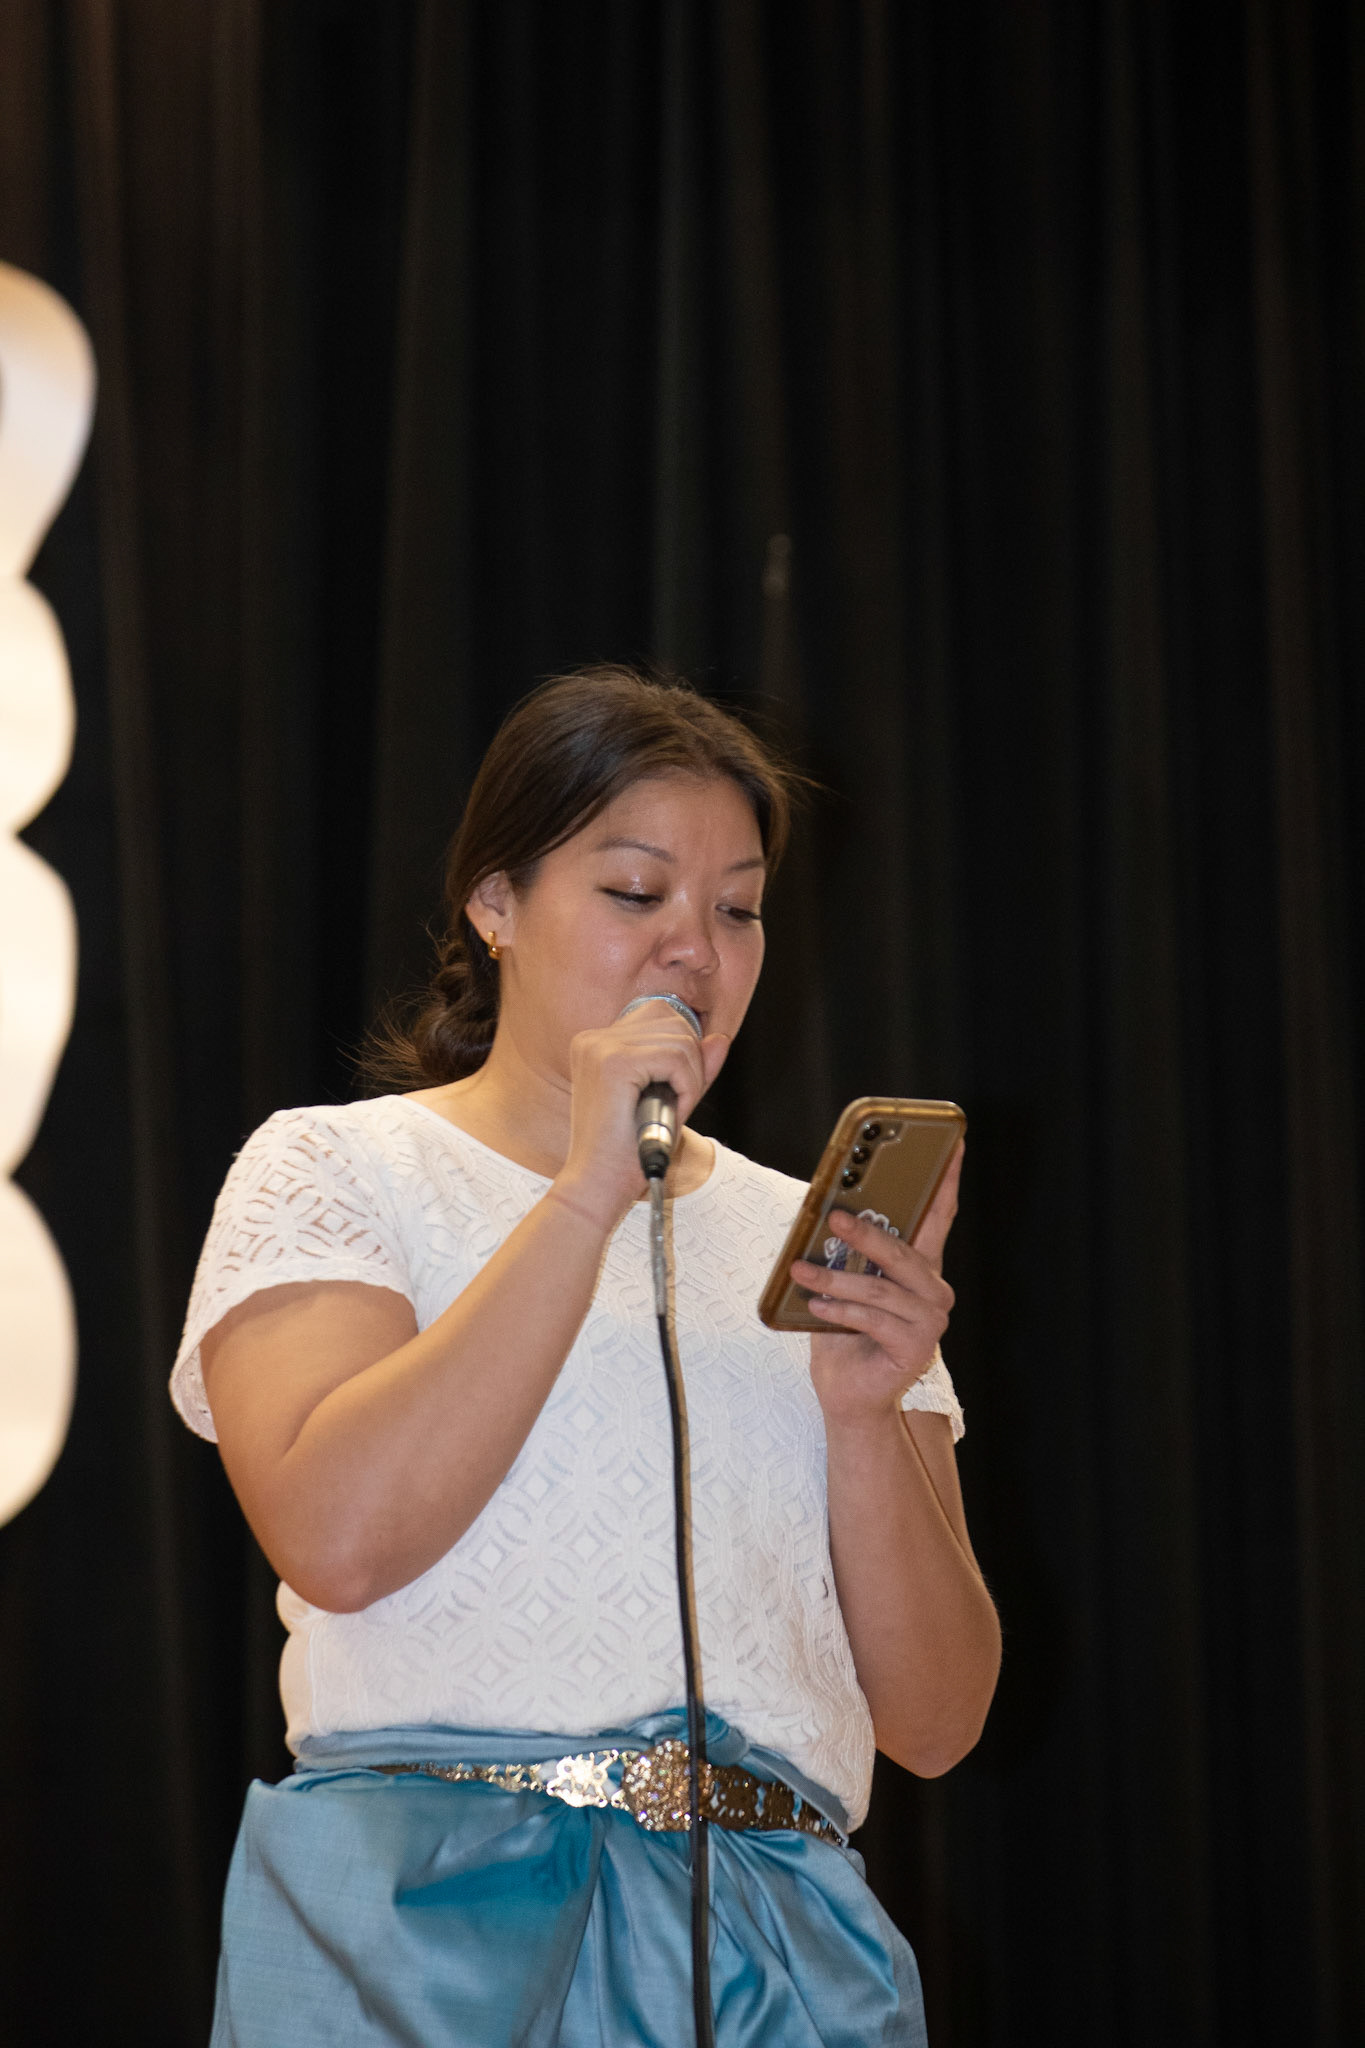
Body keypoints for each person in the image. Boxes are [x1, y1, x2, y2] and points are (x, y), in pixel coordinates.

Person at [171, 665, 1000, 2047]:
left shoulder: (808, 1238)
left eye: (736, 908)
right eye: (634, 892)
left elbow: (939, 1719)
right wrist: (586, 1191)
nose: (694, 950)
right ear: (495, 904)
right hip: (430, 1920)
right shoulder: (339, 1166)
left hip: (772, 1942)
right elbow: (338, 1538)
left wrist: (866, 1413)